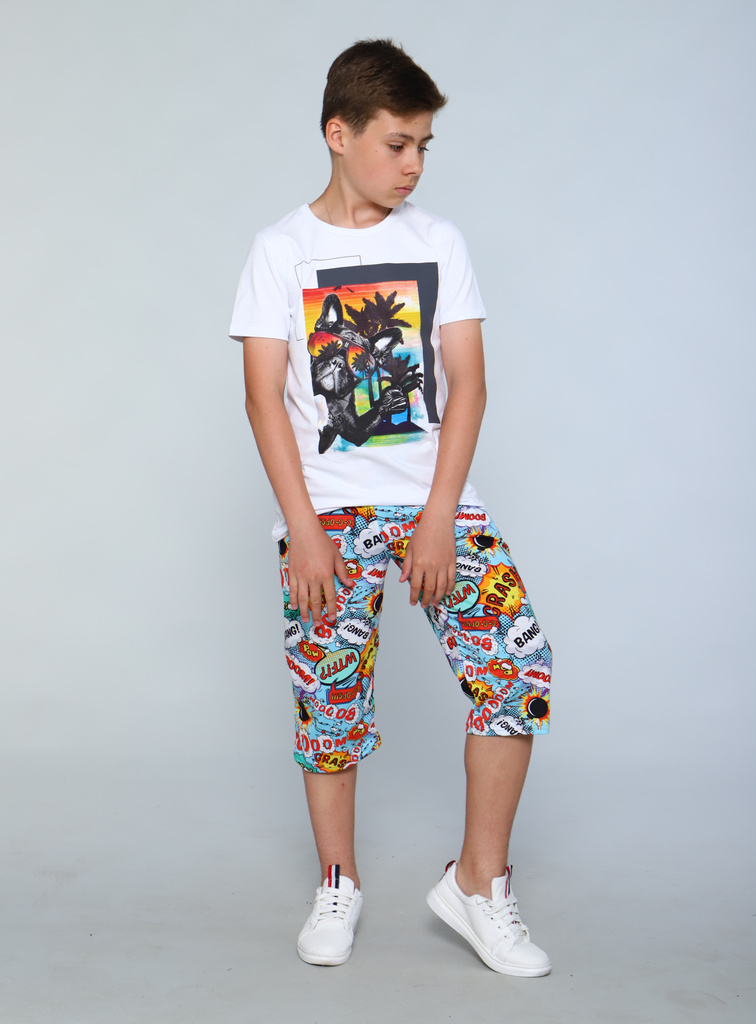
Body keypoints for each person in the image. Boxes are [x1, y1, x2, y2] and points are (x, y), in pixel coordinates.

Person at [229, 39, 553, 976]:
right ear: (339, 134)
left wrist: (440, 515)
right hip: (326, 513)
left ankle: (478, 883)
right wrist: (301, 531)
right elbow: (262, 399)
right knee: (328, 699)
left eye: (423, 147)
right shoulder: (280, 251)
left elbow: (468, 384)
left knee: (515, 668)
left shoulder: (437, 242)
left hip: (432, 504)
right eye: (396, 144)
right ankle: (338, 882)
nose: (413, 165)